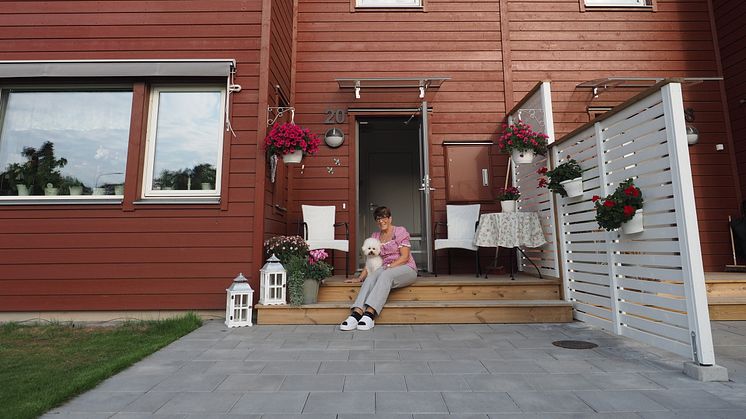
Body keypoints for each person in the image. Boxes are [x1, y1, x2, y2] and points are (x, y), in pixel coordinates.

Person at [340, 206, 418, 331]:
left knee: (385, 275)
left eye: (384, 218)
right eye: (378, 219)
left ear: (390, 218)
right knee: (371, 277)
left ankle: (369, 314)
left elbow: (405, 257)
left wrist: (388, 267)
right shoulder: (375, 236)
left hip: (406, 268)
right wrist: (360, 278)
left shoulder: (400, 231)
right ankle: (356, 313)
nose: (381, 221)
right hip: (386, 267)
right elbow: (371, 260)